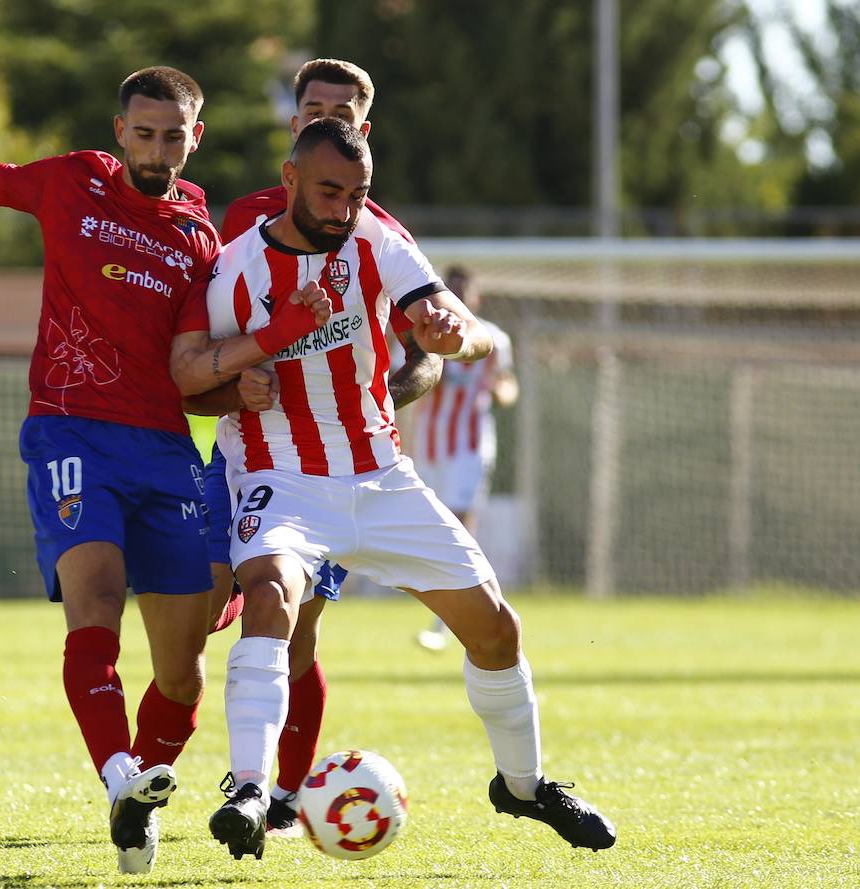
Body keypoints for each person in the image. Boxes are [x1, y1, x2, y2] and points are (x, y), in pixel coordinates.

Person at [0, 48, 331, 874]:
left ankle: (141, 791)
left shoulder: (202, 236)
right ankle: (120, 773)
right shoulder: (72, 181)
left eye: (173, 138)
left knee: (184, 677)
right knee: (97, 599)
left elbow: (196, 372)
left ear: (196, 139)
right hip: (71, 431)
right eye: (143, 134)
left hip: (166, 449)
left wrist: (243, 384)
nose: (156, 151)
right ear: (119, 132)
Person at [173, 118, 615, 859]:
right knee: (275, 597)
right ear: (288, 180)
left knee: (497, 628)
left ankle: (525, 785)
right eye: (329, 190)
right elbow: (189, 382)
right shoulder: (234, 270)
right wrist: (234, 384)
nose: (344, 206)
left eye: (358, 192)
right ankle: (249, 789)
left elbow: (453, 319)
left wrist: (449, 329)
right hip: (280, 477)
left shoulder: (375, 239)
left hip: (380, 474)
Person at [199, 57, 443, 835]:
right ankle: (143, 774)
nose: (320, 117)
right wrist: (237, 380)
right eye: (310, 106)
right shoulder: (243, 217)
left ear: (361, 130)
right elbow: (209, 334)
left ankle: (271, 798)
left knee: (292, 626)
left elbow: (426, 354)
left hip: (330, 471)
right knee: (197, 608)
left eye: (338, 109)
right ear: (293, 123)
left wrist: (360, 405)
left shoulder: (378, 232)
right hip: (239, 448)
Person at [411, 266, 519, 651]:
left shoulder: (492, 339)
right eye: (450, 289)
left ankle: (449, 622)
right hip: (429, 443)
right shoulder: (422, 332)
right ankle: (466, 607)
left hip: (470, 446)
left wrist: (502, 391)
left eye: (463, 291)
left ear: (475, 299)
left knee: (460, 523)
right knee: (436, 527)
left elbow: (506, 383)